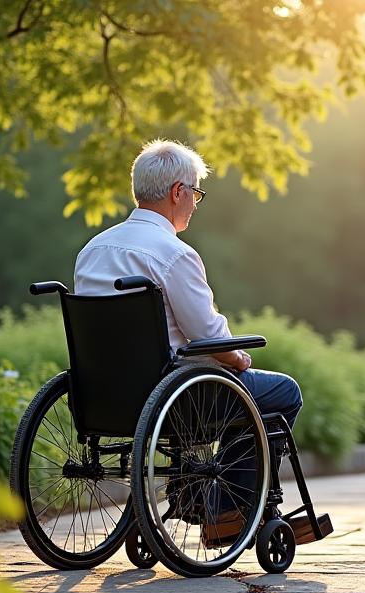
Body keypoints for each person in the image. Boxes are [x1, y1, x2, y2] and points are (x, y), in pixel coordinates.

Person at [74, 139, 301, 528]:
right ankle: (225, 507)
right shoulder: (173, 253)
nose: (195, 204)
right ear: (178, 192)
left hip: (103, 398)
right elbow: (205, 333)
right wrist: (238, 357)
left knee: (228, 384)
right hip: (176, 399)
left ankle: (198, 498)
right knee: (283, 393)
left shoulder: (92, 250)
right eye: (195, 193)